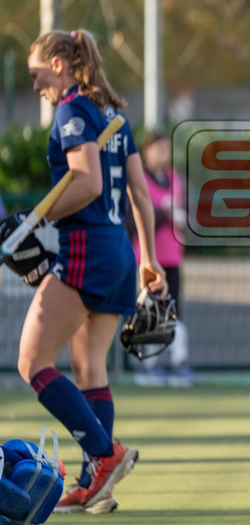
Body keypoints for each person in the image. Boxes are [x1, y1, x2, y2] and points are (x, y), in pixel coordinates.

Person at [16, 29, 165, 514]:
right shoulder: (112, 116)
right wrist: (146, 256)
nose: (36, 85)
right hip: (119, 250)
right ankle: (96, 484)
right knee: (88, 368)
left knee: (32, 363)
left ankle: (104, 455)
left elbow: (87, 182)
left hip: (89, 251)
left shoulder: (72, 110)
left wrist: (38, 218)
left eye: (38, 74)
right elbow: (140, 194)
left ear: (59, 64)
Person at [130, 131, 192, 387]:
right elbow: (131, 220)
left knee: (173, 312)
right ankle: (147, 366)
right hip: (147, 259)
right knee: (149, 312)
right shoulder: (139, 180)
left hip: (172, 258)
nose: (162, 154)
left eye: (166, 149)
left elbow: (184, 214)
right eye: (157, 149)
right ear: (146, 152)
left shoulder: (175, 179)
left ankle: (179, 363)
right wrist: (162, 214)